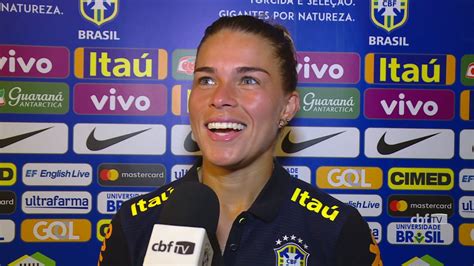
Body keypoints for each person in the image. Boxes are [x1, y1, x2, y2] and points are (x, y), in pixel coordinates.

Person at [98, 15, 382, 266]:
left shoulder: (335, 230)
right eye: (206, 80)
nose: (220, 98)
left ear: (288, 107)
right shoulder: (135, 224)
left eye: (248, 80)